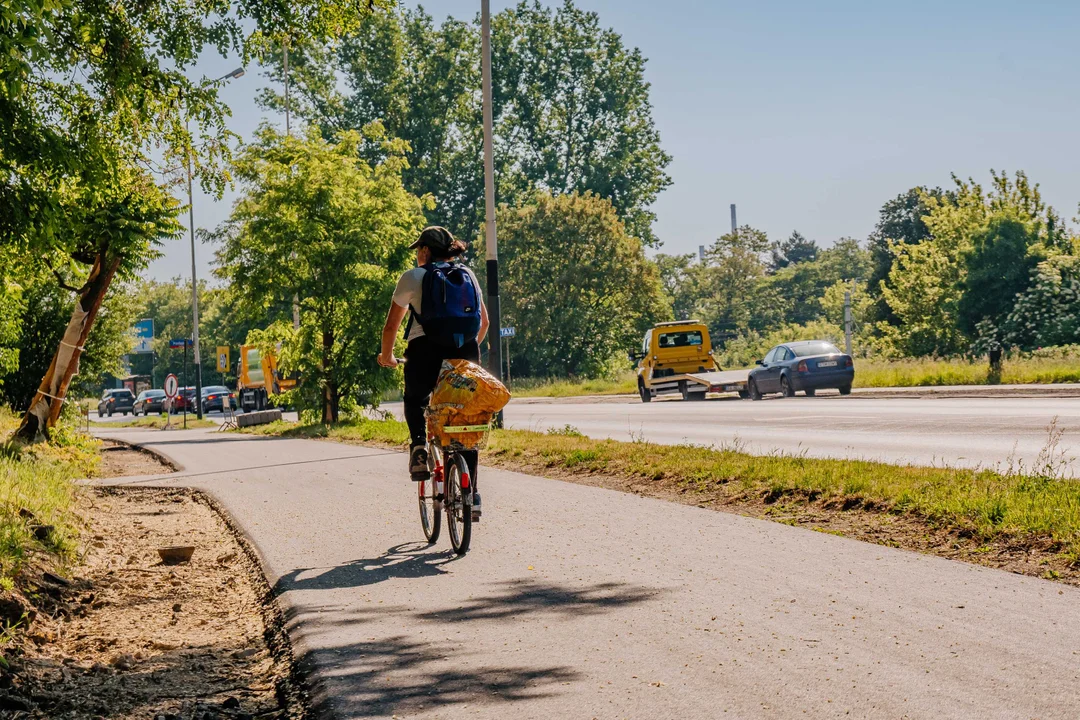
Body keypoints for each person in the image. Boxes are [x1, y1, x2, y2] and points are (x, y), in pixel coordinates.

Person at [377, 226, 489, 501]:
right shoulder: (468, 275)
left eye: (418, 249)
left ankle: (418, 446)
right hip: (465, 350)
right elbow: (483, 323)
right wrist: (465, 351)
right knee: (464, 419)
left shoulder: (414, 277)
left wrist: (387, 357)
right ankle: (471, 493)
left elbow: (391, 327)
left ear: (425, 250)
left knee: (415, 398)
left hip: (424, 352)